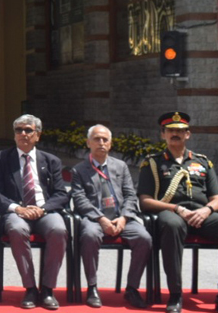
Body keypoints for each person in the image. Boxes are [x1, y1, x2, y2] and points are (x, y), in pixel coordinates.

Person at [137, 111, 218, 313]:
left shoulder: (203, 162)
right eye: (171, 131)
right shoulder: (152, 163)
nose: (175, 134)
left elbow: (217, 198)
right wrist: (176, 208)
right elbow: (145, 201)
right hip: (172, 212)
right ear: (163, 134)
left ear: (188, 134)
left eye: (180, 131)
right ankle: (176, 295)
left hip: (201, 213)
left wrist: (206, 210)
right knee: (173, 225)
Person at [0, 114, 68, 310]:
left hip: (44, 212)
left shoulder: (51, 161)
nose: (23, 134)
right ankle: (30, 288)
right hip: (16, 212)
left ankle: (47, 289)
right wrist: (18, 208)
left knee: (59, 229)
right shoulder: (1, 158)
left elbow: (61, 194)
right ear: (14, 135)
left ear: (37, 135)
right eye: (18, 130)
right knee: (16, 229)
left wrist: (42, 209)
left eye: (28, 130)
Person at [69, 124, 151, 309]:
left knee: (144, 238)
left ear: (111, 143)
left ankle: (132, 288)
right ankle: (92, 287)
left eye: (105, 139)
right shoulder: (79, 170)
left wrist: (123, 218)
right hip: (95, 219)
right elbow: (80, 200)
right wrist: (101, 219)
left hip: (121, 218)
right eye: (97, 139)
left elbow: (130, 195)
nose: (101, 143)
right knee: (89, 236)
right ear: (88, 142)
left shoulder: (120, 166)